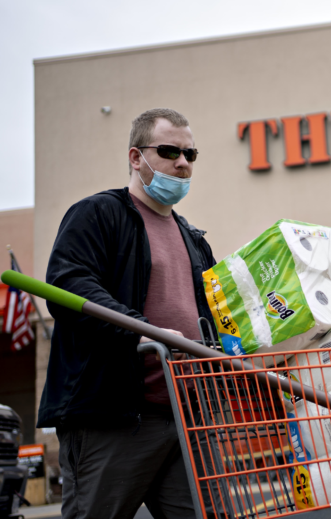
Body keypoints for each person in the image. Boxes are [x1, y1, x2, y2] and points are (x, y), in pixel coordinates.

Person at [37, 108, 216, 519]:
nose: (183, 163)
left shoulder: (193, 239)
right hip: (112, 416)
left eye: (191, 154)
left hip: (185, 417)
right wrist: (143, 333)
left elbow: (213, 317)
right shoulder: (98, 215)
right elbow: (69, 285)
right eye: (170, 151)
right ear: (136, 157)